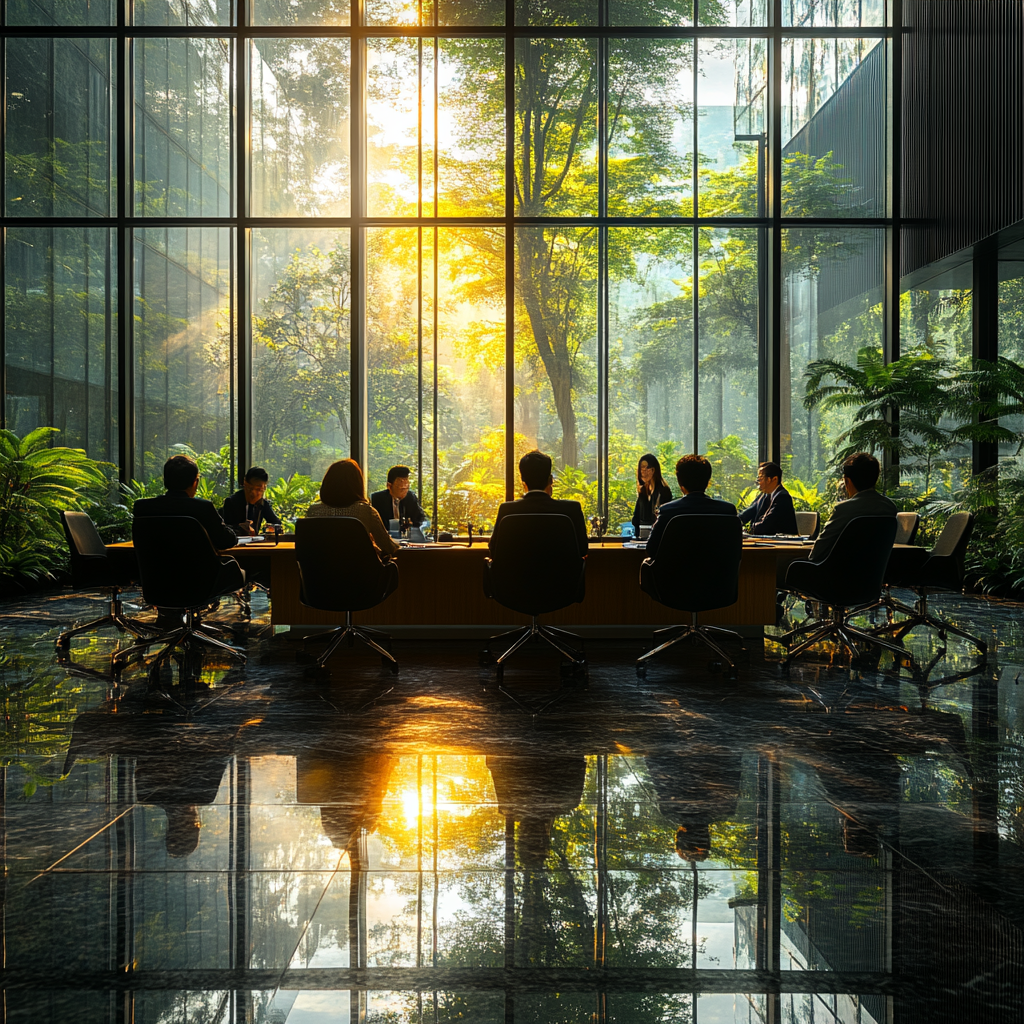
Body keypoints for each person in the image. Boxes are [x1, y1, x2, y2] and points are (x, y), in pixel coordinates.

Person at [133, 454, 244, 595]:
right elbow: (227, 541)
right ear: (195, 482)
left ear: (165, 480)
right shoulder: (202, 508)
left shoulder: (143, 508)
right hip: (201, 584)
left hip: (156, 582)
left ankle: (169, 615)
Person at [490, 449, 589, 558]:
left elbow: (494, 549)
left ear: (522, 480)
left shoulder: (507, 510)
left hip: (516, 575)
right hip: (560, 575)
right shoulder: (571, 510)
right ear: (550, 480)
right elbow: (582, 549)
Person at [643, 454, 738, 561]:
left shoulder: (668, 512)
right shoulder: (727, 511)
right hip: (718, 576)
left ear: (679, 482)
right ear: (708, 481)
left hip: (677, 576)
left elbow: (651, 549)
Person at [809, 451, 897, 564]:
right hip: (873, 577)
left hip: (838, 576)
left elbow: (817, 553)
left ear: (847, 481)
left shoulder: (843, 510)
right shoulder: (889, 508)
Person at [305, 458, 401, 561]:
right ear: (358, 484)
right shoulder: (366, 512)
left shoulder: (313, 512)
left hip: (320, 574)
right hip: (359, 574)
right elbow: (388, 547)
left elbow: (307, 545)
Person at [739, 460, 798, 536]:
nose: (758, 481)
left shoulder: (783, 498)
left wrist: (749, 529)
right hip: (767, 541)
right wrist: (734, 522)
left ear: (774, 479)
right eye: (758, 478)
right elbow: (748, 513)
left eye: (761, 477)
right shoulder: (764, 495)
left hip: (784, 545)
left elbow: (767, 525)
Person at [220, 467, 282, 536]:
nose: (253, 493)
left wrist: (271, 528)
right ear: (245, 483)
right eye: (250, 488)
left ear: (264, 488)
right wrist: (240, 528)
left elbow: (277, 524)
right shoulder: (232, 502)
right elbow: (225, 529)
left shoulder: (263, 503)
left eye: (258, 489)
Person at [370, 465, 426, 530]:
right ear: (389, 486)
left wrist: (412, 525)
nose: (404, 492)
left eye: (406, 488)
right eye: (401, 489)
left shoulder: (410, 497)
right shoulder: (377, 499)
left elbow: (421, 518)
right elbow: (375, 524)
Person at [631, 453, 673, 531]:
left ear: (654, 470)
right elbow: (636, 518)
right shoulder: (643, 491)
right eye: (641, 468)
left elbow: (664, 519)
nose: (643, 472)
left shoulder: (663, 491)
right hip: (641, 536)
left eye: (646, 468)